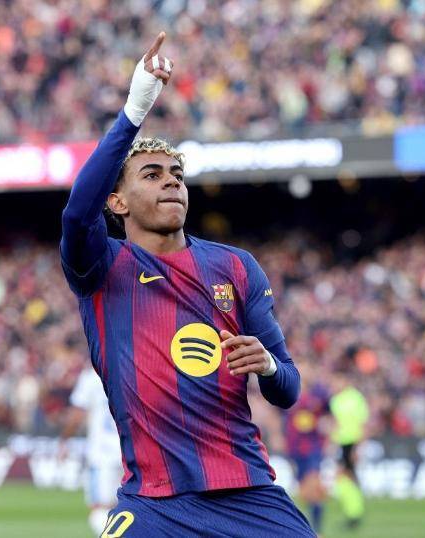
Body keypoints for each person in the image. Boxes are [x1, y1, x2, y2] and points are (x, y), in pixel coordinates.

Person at [59, 32, 314, 538]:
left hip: (248, 495)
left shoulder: (236, 267)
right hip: (154, 503)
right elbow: (76, 214)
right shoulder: (103, 266)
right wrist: (135, 109)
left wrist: (266, 363)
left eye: (177, 174)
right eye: (151, 175)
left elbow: (288, 388)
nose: (172, 181)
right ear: (118, 202)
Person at [59, 367, 123, 536]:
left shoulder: (91, 377)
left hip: (102, 455)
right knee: (129, 509)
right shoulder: (129, 370)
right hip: (129, 453)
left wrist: (64, 440)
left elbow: (76, 415)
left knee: (99, 510)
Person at [285, 361, 331, 536]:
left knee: (313, 487)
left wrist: (328, 436)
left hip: (313, 448)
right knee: (304, 491)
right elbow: (284, 419)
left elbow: (329, 417)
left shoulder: (320, 395)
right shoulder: (288, 392)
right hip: (295, 449)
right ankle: (308, 528)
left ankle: (316, 530)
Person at [329, 369, 369, 528]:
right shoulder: (335, 400)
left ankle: (355, 514)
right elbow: (336, 424)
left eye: (338, 381)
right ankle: (352, 513)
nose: (335, 384)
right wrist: (332, 443)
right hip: (341, 443)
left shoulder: (356, 398)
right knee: (343, 478)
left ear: (345, 381)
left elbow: (363, 424)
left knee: (347, 478)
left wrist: (358, 448)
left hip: (352, 443)